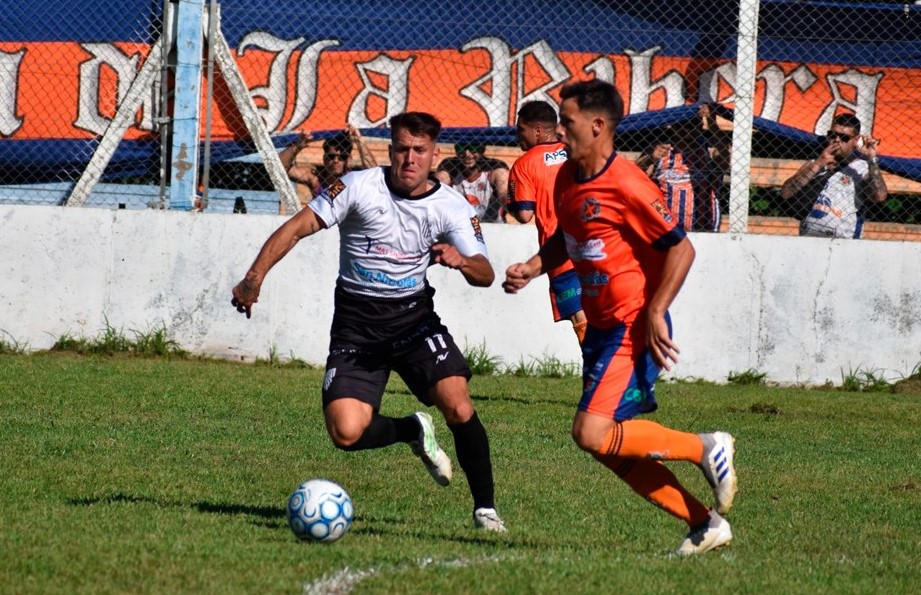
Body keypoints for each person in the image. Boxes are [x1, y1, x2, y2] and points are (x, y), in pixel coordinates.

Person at [232, 111, 506, 532]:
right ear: (390, 149)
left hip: (414, 321)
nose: (409, 159)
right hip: (357, 327)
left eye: (419, 151)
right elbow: (297, 227)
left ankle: (485, 509)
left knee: (457, 402)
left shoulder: (452, 207)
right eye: (401, 149)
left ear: (435, 155)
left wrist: (462, 260)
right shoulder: (358, 187)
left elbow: (486, 273)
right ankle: (411, 430)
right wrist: (255, 277)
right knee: (346, 433)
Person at [503, 80, 737, 555]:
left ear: (597, 125)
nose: (558, 133)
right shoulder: (567, 177)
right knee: (610, 447)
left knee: (590, 433)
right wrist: (532, 267)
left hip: (633, 325)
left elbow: (681, 248)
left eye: (565, 124)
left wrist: (655, 310)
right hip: (602, 327)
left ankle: (705, 447)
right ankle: (704, 524)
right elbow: (567, 239)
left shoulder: (628, 183)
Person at [506, 100, 587, 344]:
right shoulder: (578, 150)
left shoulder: (525, 163)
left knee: (581, 319)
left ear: (537, 131)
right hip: (597, 244)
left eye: (521, 130)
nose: (518, 135)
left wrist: (508, 198)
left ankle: (605, 375)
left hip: (560, 250)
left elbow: (524, 214)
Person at [779, 113, 888, 239]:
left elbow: (879, 196)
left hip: (844, 242)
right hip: (808, 239)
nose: (836, 140)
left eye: (844, 137)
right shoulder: (815, 163)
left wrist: (871, 159)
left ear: (855, 140)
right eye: (832, 135)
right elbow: (786, 193)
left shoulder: (862, 167)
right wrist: (818, 164)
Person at [634, 103, 727, 232]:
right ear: (673, 126)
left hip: (704, 228)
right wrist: (651, 157)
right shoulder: (662, 150)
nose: (688, 130)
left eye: (693, 125)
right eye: (683, 124)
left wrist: (712, 122)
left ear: (700, 126)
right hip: (666, 229)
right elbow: (634, 175)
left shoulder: (709, 149)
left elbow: (724, 157)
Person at [279, 124, 379, 205]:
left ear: (348, 160)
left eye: (342, 157)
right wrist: (298, 146)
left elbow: (376, 174)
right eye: (331, 156)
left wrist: (359, 140)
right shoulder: (316, 179)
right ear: (324, 159)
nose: (336, 160)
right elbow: (279, 168)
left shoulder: (354, 179)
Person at [435, 142, 510, 223]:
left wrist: (512, 204)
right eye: (461, 147)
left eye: (473, 148)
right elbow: (438, 184)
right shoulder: (450, 166)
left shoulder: (495, 167)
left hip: (493, 227)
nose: (467, 154)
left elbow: (504, 192)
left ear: (481, 150)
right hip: (460, 228)